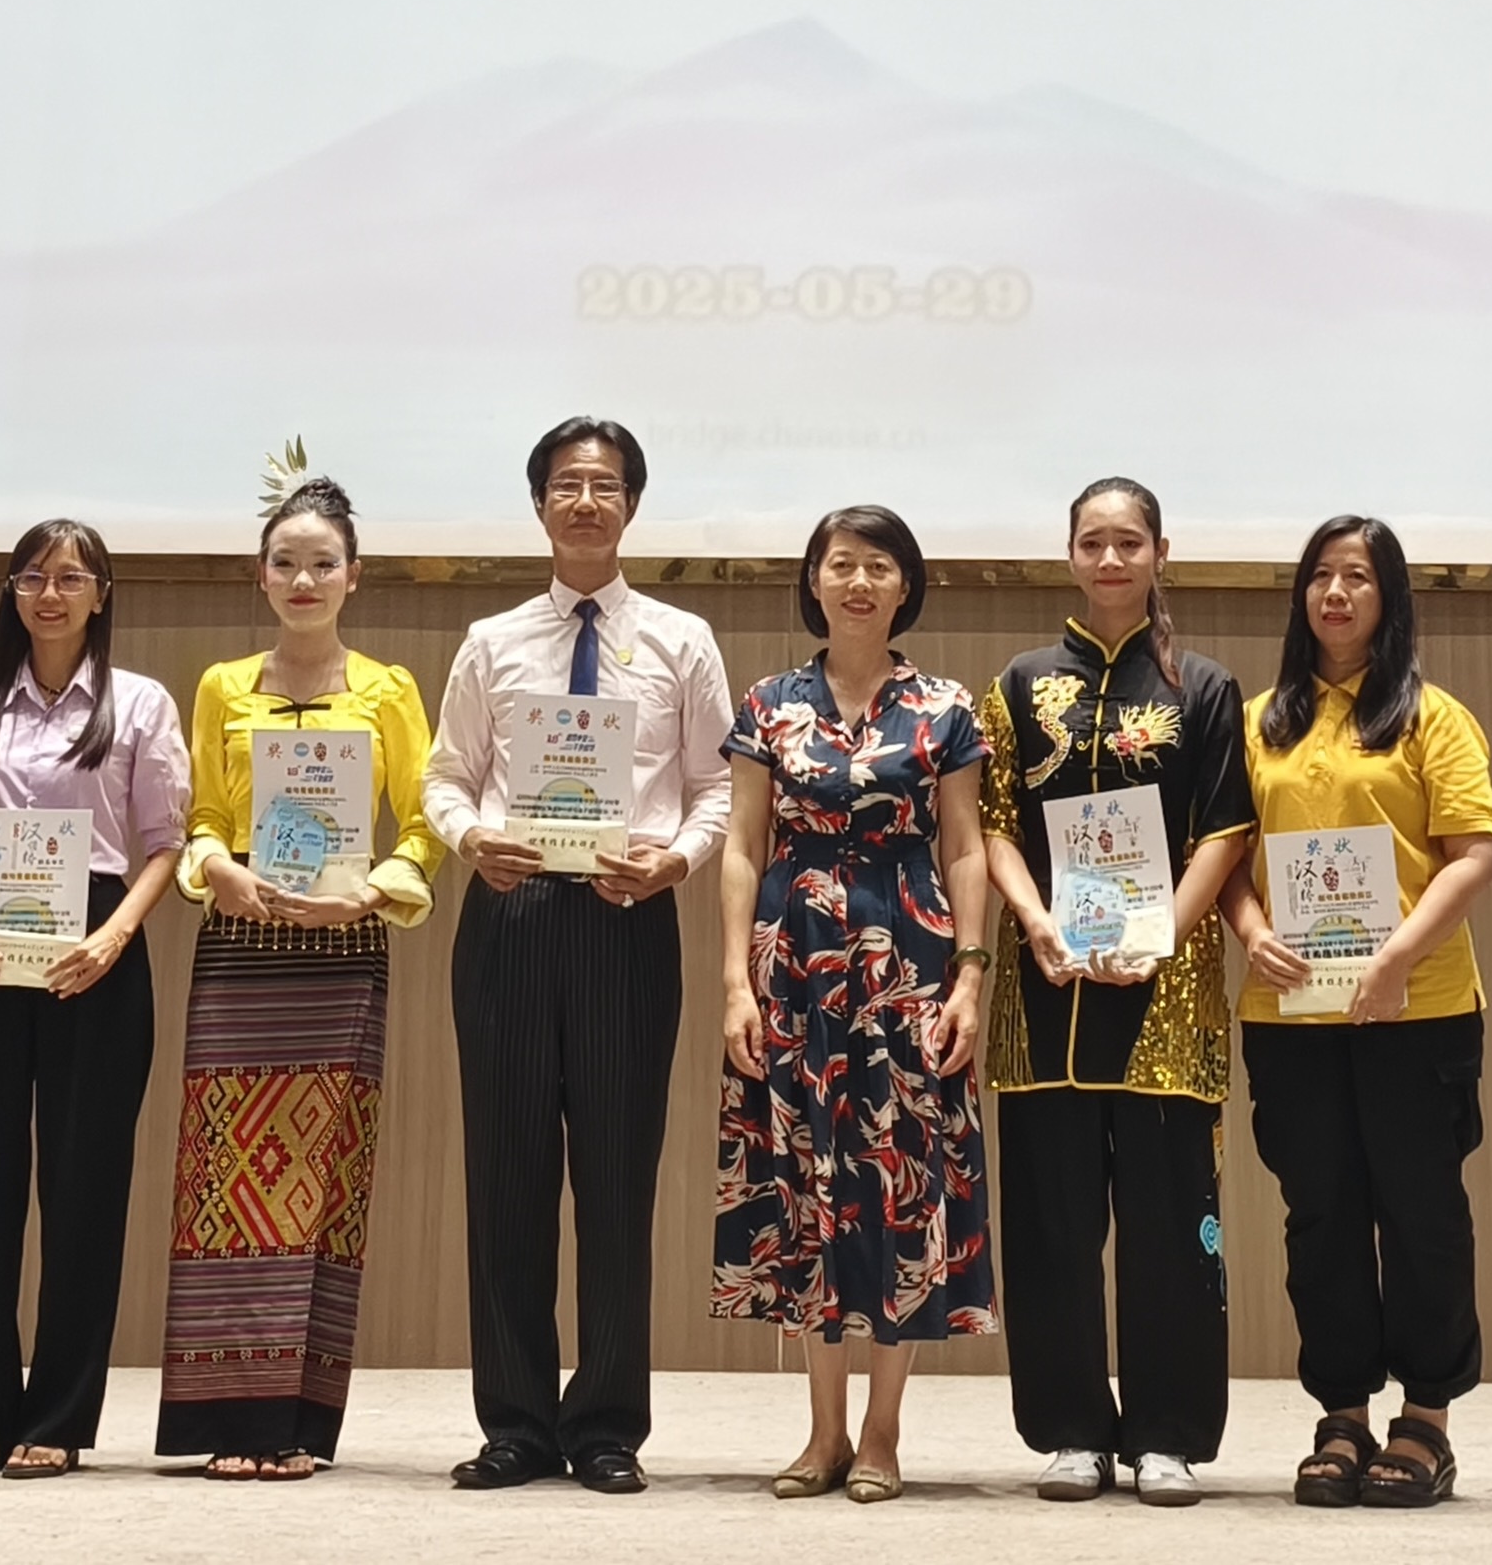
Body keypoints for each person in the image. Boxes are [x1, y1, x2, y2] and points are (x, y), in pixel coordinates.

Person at [422, 416, 731, 1495]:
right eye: (566, 484)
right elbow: (446, 776)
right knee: (506, 1176)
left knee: (615, 1178)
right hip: (510, 917)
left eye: (604, 485)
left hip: (627, 920)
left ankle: (605, 1425)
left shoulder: (682, 639)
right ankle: (513, 1422)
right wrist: (471, 839)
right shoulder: (492, 641)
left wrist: (676, 862)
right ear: (540, 504)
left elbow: (718, 786)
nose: (586, 501)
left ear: (631, 505)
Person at [156, 470, 445, 1480]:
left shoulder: (389, 690)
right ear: (261, 574)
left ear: (354, 575)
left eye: (324, 563)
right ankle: (226, 1414)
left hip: (342, 946)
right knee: (224, 1179)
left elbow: (424, 821)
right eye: (287, 563)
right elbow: (201, 816)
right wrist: (216, 869)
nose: (305, 579)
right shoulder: (222, 685)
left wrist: (375, 892)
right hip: (242, 943)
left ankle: (295, 1423)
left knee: (324, 1180)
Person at [977, 476, 1255, 1506]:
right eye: (1091, 541)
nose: (1109, 559)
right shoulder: (1019, 683)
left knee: (1171, 1223)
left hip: (1164, 992)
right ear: (1069, 554)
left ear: (1159, 553)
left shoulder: (1204, 687)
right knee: (1051, 1224)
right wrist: (1033, 920)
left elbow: (1225, 829)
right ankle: (1070, 1431)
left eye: (1128, 542)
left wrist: (1162, 931)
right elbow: (993, 822)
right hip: (1047, 984)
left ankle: (1167, 1434)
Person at [712, 504, 997, 1504]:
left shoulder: (945, 707)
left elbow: (964, 846)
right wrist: (734, 981)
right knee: (808, 1178)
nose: (860, 582)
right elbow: (743, 844)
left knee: (901, 1180)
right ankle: (822, 1431)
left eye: (880, 565)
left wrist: (971, 975)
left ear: (906, 584)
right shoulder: (769, 704)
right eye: (842, 564)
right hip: (794, 960)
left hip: (908, 958)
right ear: (815, 580)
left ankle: (883, 1432)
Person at [1224, 515, 1492, 1510]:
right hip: (1291, 1015)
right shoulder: (1260, 721)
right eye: (1321, 577)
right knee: (1322, 1217)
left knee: (1422, 1214)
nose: (1336, 594)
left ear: (1390, 598)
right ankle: (1340, 1414)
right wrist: (1250, 928)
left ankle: (1426, 1421)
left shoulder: (1434, 717)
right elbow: (1225, 859)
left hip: (1417, 1009)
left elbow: (1473, 854)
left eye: (1359, 578)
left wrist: (1395, 958)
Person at [0, 518, 189, 1481]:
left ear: (101, 594)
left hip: (95, 949)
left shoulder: (140, 702)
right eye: (33, 576)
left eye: (71, 578)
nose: (50, 593)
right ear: (12, 591)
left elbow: (166, 844)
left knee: (85, 1190)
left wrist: (116, 937)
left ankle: (61, 1416)